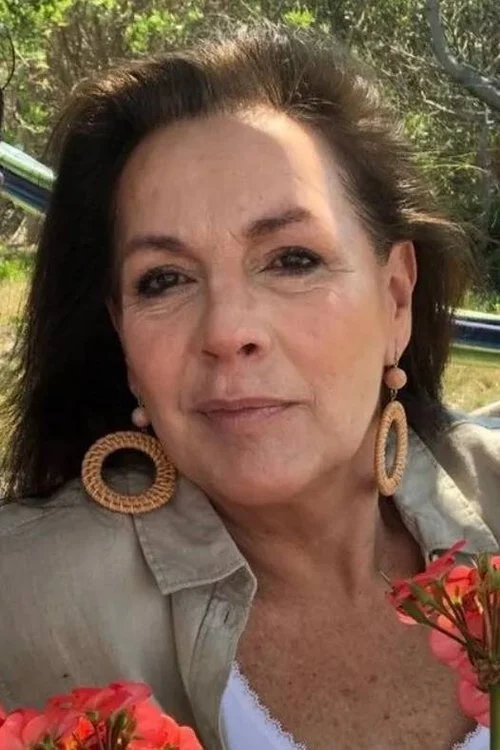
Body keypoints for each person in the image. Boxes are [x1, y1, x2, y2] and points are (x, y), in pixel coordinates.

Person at [0, 22, 499, 750]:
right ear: (126, 345)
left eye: (292, 259)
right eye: (163, 280)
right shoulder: (23, 604)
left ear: (396, 299)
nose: (228, 330)